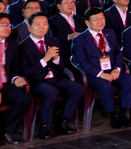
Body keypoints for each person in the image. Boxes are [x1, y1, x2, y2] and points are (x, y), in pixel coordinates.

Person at [19, 13, 84, 138]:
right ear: (29, 28)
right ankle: (45, 126)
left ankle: (63, 120)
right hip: (36, 80)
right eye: (37, 24)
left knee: (78, 88)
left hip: (54, 77)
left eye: (45, 24)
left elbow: (61, 66)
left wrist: (55, 60)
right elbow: (26, 71)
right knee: (52, 92)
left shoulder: (52, 41)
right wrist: (45, 59)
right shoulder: (23, 46)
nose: (42, 27)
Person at [70, 9, 131, 128]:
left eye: (102, 18)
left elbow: (118, 53)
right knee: (106, 85)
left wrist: (117, 68)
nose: (100, 21)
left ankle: (123, 113)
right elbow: (81, 62)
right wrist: (100, 73)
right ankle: (112, 116)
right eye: (96, 19)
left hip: (111, 70)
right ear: (87, 23)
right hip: (93, 74)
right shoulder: (79, 39)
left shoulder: (110, 33)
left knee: (129, 79)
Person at [0, 15, 32, 143]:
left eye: (9, 25)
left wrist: (16, 78)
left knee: (24, 98)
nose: (7, 28)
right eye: (3, 24)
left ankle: (8, 131)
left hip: (6, 83)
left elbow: (15, 67)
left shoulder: (12, 44)